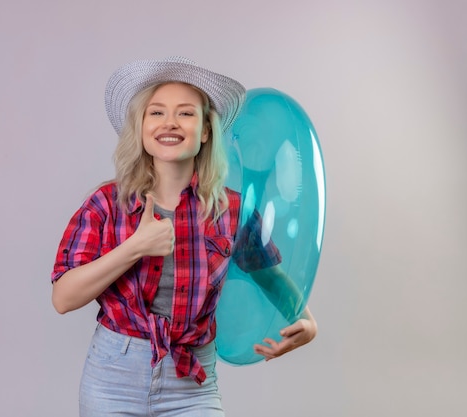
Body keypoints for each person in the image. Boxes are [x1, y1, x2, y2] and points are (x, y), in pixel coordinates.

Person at [51, 56, 317, 416]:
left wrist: (306, 320)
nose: (170, 123)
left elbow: (270, 278)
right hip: (114, 378)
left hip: (192, 383)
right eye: (156, 112)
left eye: (186, 113)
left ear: (206, 130)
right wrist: (135, 248)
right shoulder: (106, 205)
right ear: (142, 128)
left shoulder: (232, 211)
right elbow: (63, 298)